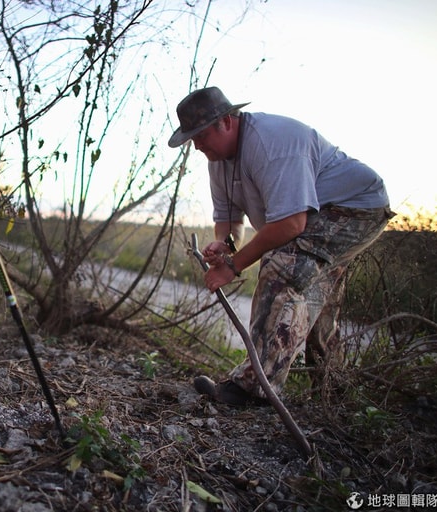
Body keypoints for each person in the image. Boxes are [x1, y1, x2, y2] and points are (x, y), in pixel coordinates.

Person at [168, 86, 393, 406]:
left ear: (227, 123)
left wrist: (232, 267)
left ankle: (254, 389)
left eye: (201, 135)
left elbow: (290, 225)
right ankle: (334, 392)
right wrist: (225, 245)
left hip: (357, 207)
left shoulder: (273, 143)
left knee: (283, 267)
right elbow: (230, 221)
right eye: (193, 138)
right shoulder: (217, 161)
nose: (197, 145)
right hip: (316, 215)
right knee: (313, 294)